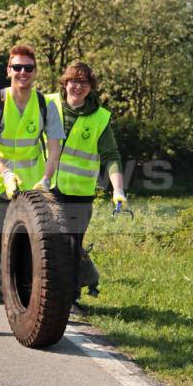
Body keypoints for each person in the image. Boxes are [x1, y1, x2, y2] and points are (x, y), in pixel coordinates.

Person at [0, 45, 65, 335]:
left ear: (35, 72)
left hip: (32, 189)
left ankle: (38, 308)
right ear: (8, 70)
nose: (22, 73)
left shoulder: (46, 105)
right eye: (17, 67)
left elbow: (54, 148)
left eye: (28, 68)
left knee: (41, 247)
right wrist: (5, 171)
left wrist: (46, 179)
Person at [46, 60, 126, 317]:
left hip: (79, 192)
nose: (77, 86)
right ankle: (35, 295)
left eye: (83, 82)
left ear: (91, 87)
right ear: (64, 83)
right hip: (46, 187)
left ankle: (69, 299)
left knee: (72, 246)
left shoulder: (100, 118)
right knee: (43, 242)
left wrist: (118, 190)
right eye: (73, 80)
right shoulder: (47, 105)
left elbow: (112, 156)